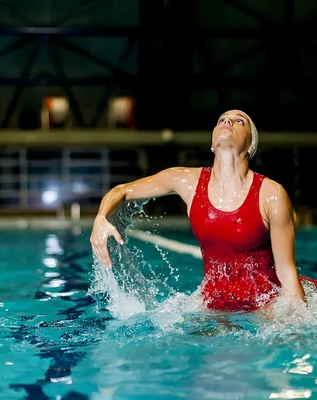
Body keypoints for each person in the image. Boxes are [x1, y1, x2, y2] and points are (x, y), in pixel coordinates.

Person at [90, 110, 306, 312]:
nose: (227, 122)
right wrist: (101, 218)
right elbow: (123, 191)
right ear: (212, 144)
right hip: (212, 306)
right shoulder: (187, 181)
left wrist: (298, 324)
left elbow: (286, 271)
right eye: (221, 120)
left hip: (264, 308)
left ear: (251, 146)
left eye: (239, 121)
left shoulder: (271, 194)